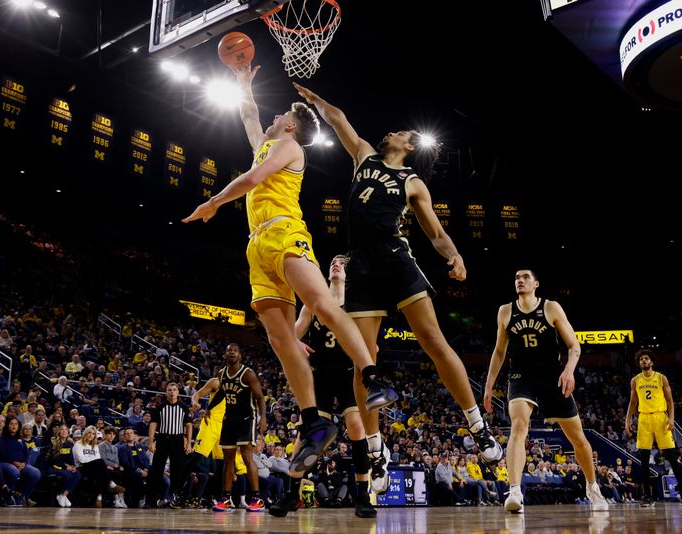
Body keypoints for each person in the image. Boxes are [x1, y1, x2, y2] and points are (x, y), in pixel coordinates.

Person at [183, 64, 397, 477]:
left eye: (281, 114)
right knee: (282, 342)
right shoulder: (266, 143)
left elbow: (253, 178)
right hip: (256, 247)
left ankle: (373, 377)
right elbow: (248, 115)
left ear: (292, 126)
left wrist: (213, 202)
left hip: (285, 233)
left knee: (321, 303)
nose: (273, 116)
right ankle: (313, 417)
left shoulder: (290, 149)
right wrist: (243, 81)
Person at [293, 83, 503, 495]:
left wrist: (455, 256)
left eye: (402, 133)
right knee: (363, 358)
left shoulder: (413, 182)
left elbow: (435, 231)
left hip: (396, 259)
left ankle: (478, 427)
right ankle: (374, 451)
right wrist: (316, 100)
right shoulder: (364, 155)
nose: (393, 132)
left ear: (408, 147)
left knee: (433, 339)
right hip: (361, 267)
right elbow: (339, 120)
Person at [483, 268, 608, 513]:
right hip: (521, 377)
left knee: (578, 439)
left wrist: (569, 370)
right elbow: (499, 352)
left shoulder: (551, 307)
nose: (520, 280)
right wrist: (489, 386)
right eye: (516, 277)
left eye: (525, 277)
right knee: (519, 426)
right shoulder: (505, 311)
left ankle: (593, 487)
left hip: (553, 378)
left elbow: (574, 345)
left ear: (536, 283)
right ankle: (515, 491)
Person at [269, 255, 376, 518]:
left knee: (356, 426)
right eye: (333, 263)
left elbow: (371, 346)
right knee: (308, 435)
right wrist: (295, 345)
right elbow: (288, 337)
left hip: (349, 375)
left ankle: (363, 495)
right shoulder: (314, 302)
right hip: (321, 376)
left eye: (343, 264)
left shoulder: (356, 306)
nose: (336, 265)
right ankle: (291, 493)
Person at [191, 343, 266, 512]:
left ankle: (257, 498)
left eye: (235, 351)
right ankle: (225, 498)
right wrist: (209, 408)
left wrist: (263, 419)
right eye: (229, 350)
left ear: (240, 355)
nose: (232, 353)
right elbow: (222, 393)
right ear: (225, 354)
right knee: (228, 459)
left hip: (247, 418)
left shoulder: (248, 374)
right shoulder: (221, 374)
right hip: (229, 419)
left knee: (247, 457)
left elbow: (260, 397)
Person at [625, 348, 682, 506]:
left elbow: (670, 401)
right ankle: (648, 497)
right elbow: (633, 402)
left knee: (671, 456)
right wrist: (628, 420)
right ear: (639, 363)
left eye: (646, 358)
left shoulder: (661, 378)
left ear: (651, 361)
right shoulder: (635, 380)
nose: (644, 361)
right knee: (644, 460)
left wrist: (671, 418)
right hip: (643, 418)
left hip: (660, 417)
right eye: (641, 359)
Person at [146, 383, 192, 508]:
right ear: (166, 392)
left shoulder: (184, 407)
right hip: (162, 439)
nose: (172, 392)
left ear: (178, 392)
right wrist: (150, 442)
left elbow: (188, 425)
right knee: (156, 469)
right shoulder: (160, 407)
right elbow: (153, 424)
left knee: (177, 471)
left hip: (177, 440)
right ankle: (150, 500)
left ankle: (175, 499)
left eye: (174, 390)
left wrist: (188, 443)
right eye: (169, 390)